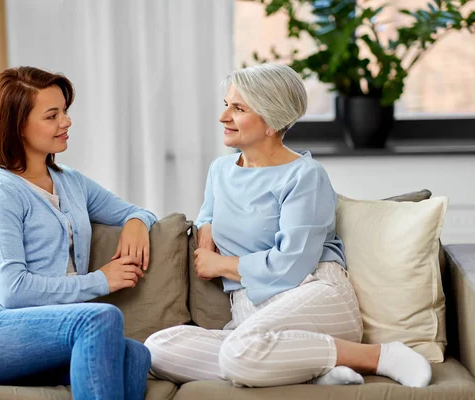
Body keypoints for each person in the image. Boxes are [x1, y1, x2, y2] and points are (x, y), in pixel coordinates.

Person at [144, 63, 432, 388]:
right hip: (250, 310)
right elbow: (209, 213)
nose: (224, 117)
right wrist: (207, 227)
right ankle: (311, 367)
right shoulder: (220, 170)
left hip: (312, 295)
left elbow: (292, 265)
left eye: (238, 108)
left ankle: (379, 355)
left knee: (240, 353)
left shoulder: (304, 176)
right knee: (158, 348)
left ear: (271, 120)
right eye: (226, 105)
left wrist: (221, 264)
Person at [0, 66, 157, 400]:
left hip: (37, 329)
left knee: (136, 356)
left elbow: (135, 210)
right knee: (99, 319)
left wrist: (137, 223)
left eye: (65, 112)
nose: (66, 122)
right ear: (18, 126)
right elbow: (12, 291)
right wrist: (101, 280)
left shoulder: (71, 181)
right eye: (52, 115)